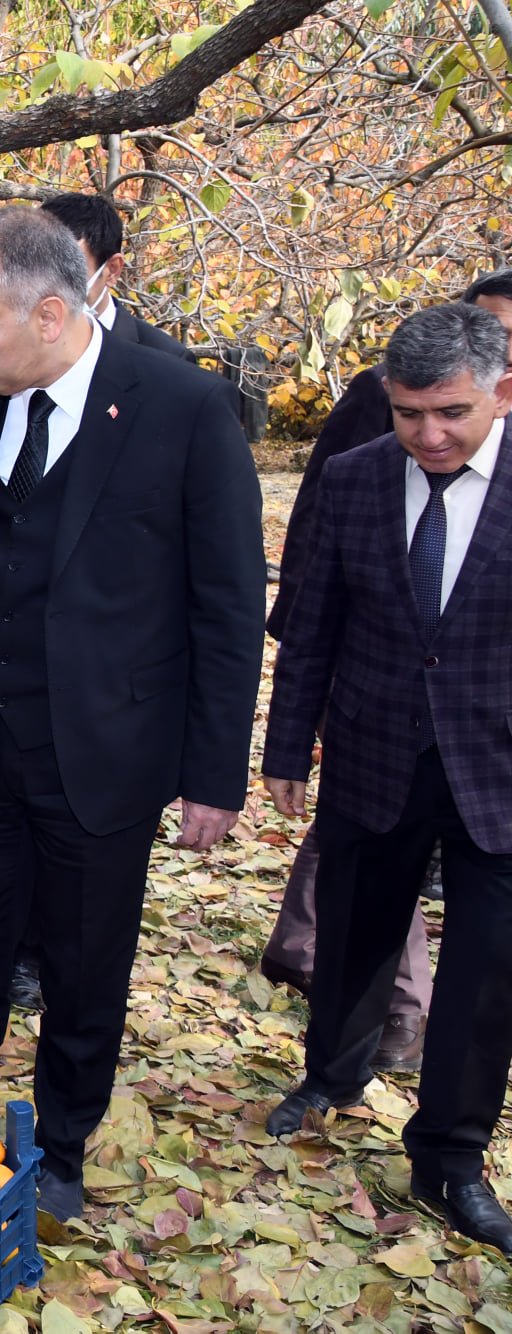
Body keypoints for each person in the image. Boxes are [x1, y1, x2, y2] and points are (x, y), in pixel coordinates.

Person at [0, 208, 264, 1221]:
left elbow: (228, 605)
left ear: (50, 313)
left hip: (103, 753)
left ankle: (60, 1143)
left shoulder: (185, 408)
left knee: (80, 960)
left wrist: (213, 771)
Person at [260, 303, 512, 1252]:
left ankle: (450, 1155)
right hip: (371, 752)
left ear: (502, 392)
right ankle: (332, 1073)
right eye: (409, 414)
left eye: (450, 413)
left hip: (499, 768)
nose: (430, 435)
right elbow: (312, 622)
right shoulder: (357, 478)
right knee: (357, 935)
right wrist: (288, 749)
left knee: (487, 976)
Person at [39, 192, 191, 359]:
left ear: (112, 270)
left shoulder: (166, 358)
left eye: (68, 271)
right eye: (36, 268)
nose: (50, 285)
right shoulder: (16, 343)